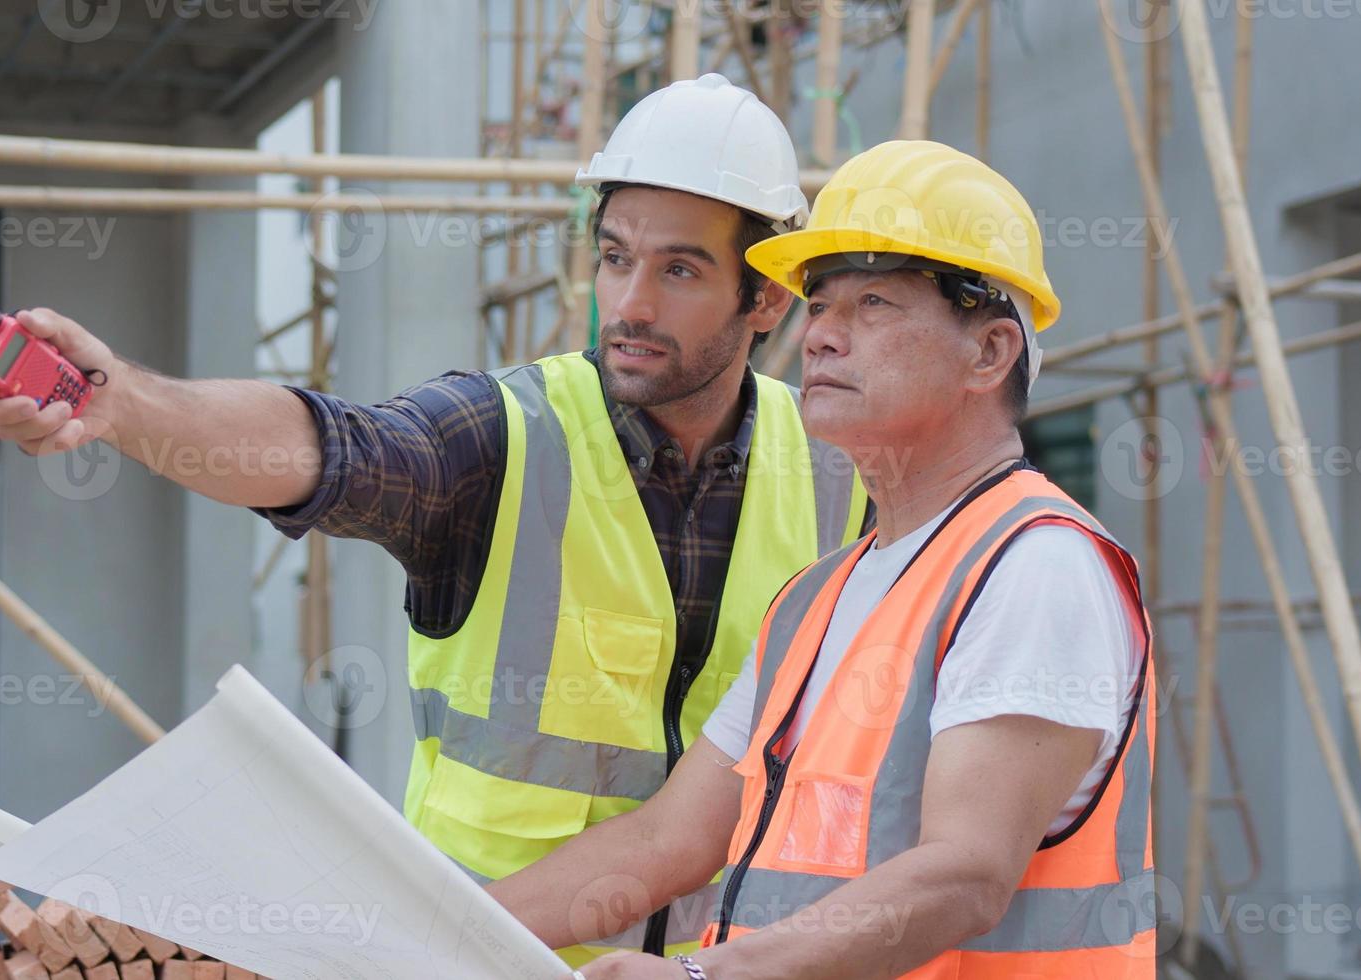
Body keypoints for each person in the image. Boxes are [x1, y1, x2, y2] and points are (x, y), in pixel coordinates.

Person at [0, 74, 867, 967]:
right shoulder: (505, 438)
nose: (628, 302)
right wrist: (125, 404)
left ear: (766, 300)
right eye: (616, 255)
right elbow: (329, 449)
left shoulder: (843, 474)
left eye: (679, 269)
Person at [488, 140, 1157, 979]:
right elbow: (669, 840)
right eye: (820, 303)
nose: (821, 337)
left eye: (872, 302)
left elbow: (966, 874)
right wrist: (399, 942)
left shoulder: (1036, 566)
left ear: (988, 354)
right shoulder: (815, 599)